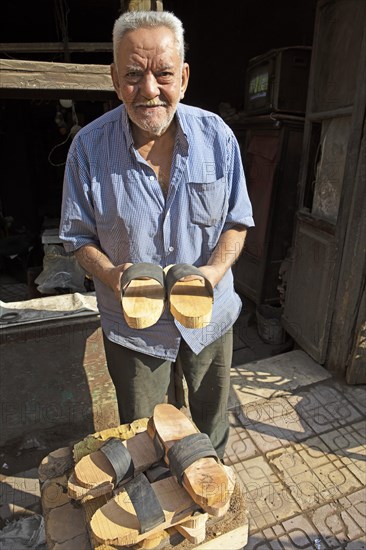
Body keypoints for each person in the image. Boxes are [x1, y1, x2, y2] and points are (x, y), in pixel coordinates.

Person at [59, 10, 254, 460]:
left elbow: (237, 221)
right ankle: (158, 504)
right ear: (113, 78)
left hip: (208, 317)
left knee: (210, 425)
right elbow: (77, 237)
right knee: (146, 434)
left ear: (183, 77)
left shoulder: (218, 138)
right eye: (133, 75)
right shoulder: (88, 149)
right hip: (134, 327)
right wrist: (111, 274)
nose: (149, 90)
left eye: (163, 74)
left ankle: (208, 498)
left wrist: (212, 271)